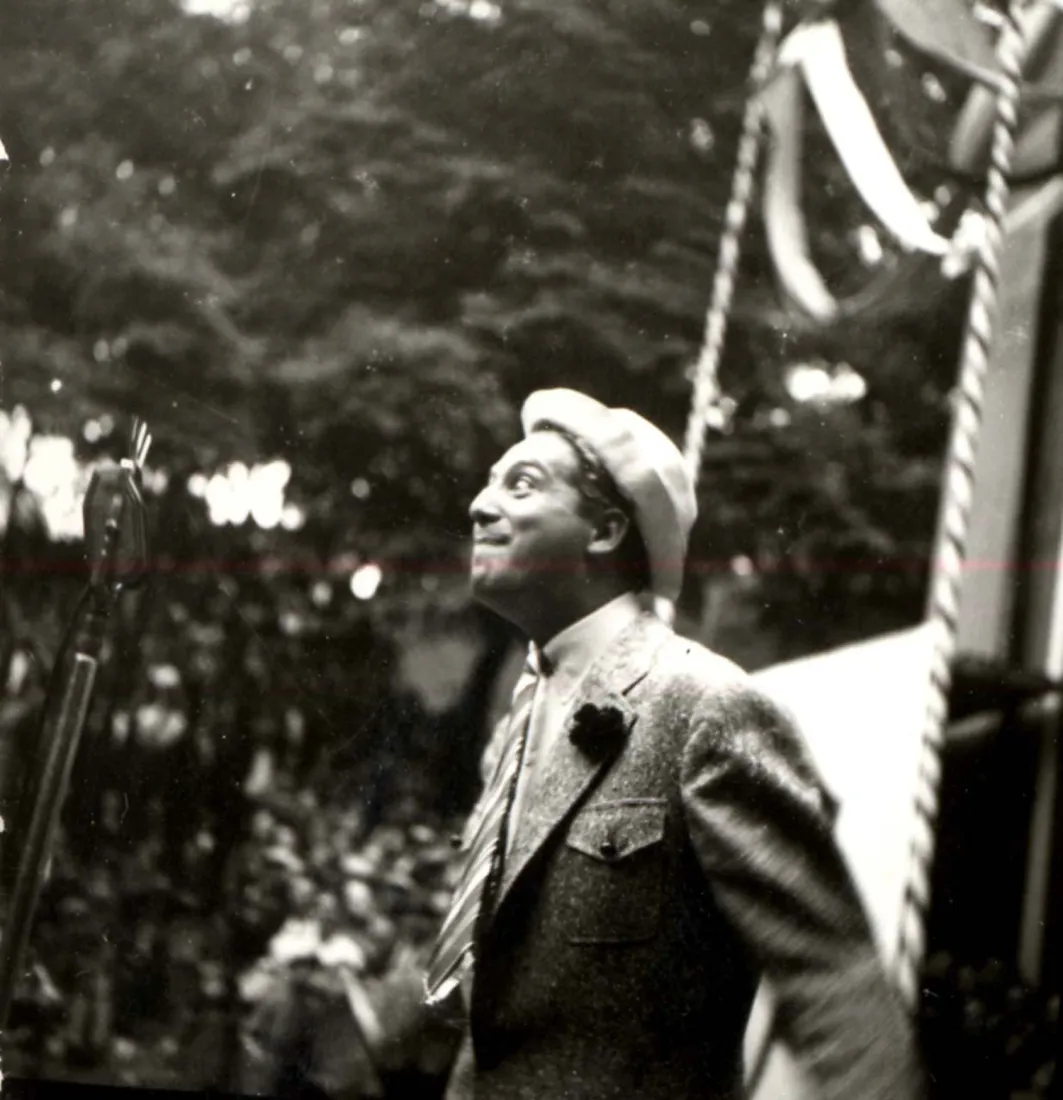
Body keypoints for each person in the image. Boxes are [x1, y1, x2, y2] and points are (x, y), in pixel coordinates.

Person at [425, 388, 923, 1100]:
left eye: (521, 484)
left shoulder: (706, 706)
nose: (479, 505)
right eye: (489, 482)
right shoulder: (516, 727)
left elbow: (833, 985)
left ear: (604, 531)